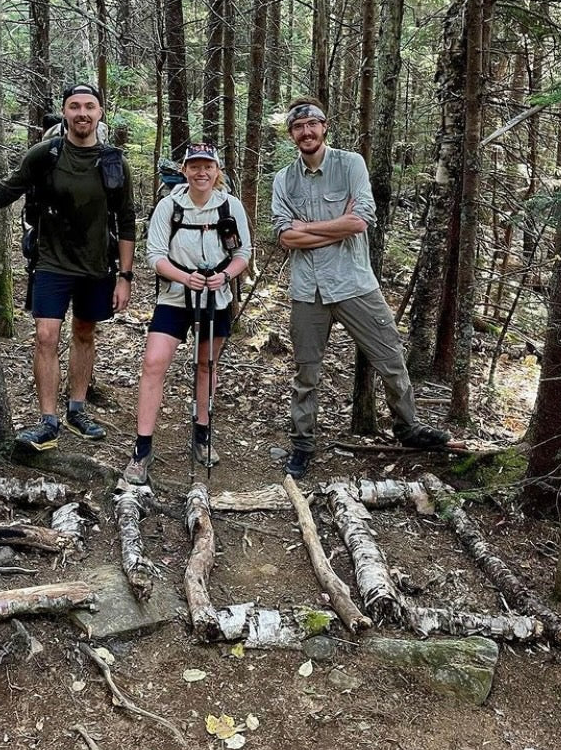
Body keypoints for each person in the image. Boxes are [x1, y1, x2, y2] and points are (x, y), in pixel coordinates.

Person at [0, 82, 136, 452]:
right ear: (65, 112)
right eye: (75, 106)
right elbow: (4, 192)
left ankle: (77, 409)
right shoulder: (44, 155)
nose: (82, 113)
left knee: (84, 332)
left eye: (90, 107)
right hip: (51, 262)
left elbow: (126, 220)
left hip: (97, 264)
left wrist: (125, 277)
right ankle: (48, 421)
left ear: (100, 113)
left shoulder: (114, 162)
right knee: (46, 336)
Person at [271, 98, 450, 479]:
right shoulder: (284, 178)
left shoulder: (350, 164)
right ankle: (302, 444)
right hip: (308, 291)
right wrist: (324, 226)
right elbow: (284, 237)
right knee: (306, 373)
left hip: (354, 283)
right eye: (298, 128)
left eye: (312, 125)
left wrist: (307, 228)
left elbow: (359, 222)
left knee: (390, 358)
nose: (306, 132)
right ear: (292, 135)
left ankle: (407, 427)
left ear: (324, 126)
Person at [123, 143, 251, 485]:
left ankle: (202, 433)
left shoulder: (230, 206)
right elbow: (155, 255)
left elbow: (243, 252)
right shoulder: (169, 207)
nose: (201, 172)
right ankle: (142, 447)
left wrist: (224, 276)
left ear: (217, 170)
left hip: (216, 298)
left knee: (207, 364)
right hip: (174, 298)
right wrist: (184, 277)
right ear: (185, 170)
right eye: (194, 166)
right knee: (153, 364)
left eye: (207, 166)